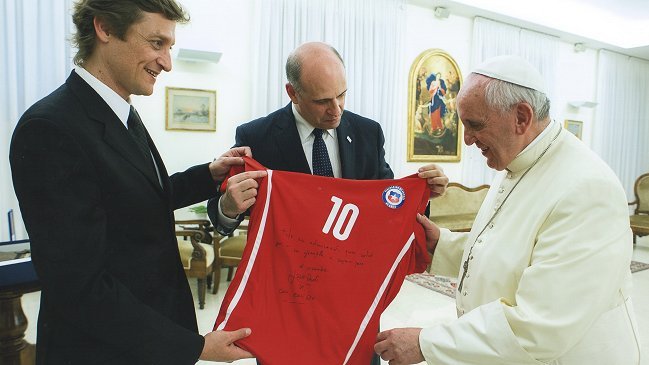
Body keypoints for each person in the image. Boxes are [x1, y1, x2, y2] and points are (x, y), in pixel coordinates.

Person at [9, 0, 255, 363]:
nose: (167, 63)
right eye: (157, 44)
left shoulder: (121, 112)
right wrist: (196, 347)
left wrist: (208, 174)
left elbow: (140, 198)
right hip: (102, 350)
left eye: (169, 47)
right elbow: (80, 286)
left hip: (146, 339)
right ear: (105, 28)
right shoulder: (50, 129)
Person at [374, 55, 640, 364]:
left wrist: (426, 343)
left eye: (475, 125)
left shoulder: (588, 189)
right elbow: (509, 251)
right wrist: (442, 245)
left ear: (521, 118)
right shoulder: (515, 162)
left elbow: (539, 327)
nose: (467, 140)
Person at [207, 41, 448, 364]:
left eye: (342, 95)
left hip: (351, 299)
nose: (336, 109)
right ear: (292, 92)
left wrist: (424, 195)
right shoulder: (258, 135)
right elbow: (223, 213)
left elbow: (387, 206)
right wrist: (229, 206)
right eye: (322, 101)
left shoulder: (367, 133)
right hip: (289, 302)